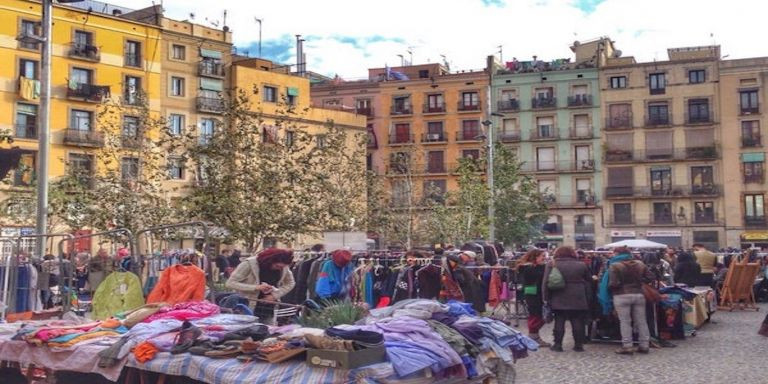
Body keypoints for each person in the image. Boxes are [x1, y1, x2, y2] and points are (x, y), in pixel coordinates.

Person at [225, 248, 296, 323]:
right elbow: (230, 283)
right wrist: (256, 287)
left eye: (282, 267)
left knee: (267, 332)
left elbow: (290, 283)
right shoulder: (249, 264)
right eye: (277, 266)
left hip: (268, 309)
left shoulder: (284, 267)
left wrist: (274, 295)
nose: (280, 269)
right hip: (247, 307)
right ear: (270, 261)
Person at [543, 246, 591, 352]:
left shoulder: (552, 264)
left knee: (559, 320)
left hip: (558, 295)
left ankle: (558, 345)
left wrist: (545, 298)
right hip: (578, 295)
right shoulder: (582, 264)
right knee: (577, 320)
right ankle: (578, 345)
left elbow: (546, 282)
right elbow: (589, 281)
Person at [609, 246, 655, 355]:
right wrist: (639, 282)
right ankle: (644, 345)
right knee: (641, 321)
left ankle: (627, 346)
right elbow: (651, 277)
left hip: (621, 295)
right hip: (638, 294)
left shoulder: (614, 266)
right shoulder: (640, 264)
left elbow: (614, 283)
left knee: (625, 321)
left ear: (617, 254)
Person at [517, 249, 551, 347]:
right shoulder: (528, 268)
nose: (544, 258)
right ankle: (533, 337)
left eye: (544, 256)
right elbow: (535, 279)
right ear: (535, 257)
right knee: (536, 316)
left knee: (539, 315)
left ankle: (534, 337)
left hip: (534, 293)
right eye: (542, 256)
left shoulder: (534, 267)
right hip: (533, 294)